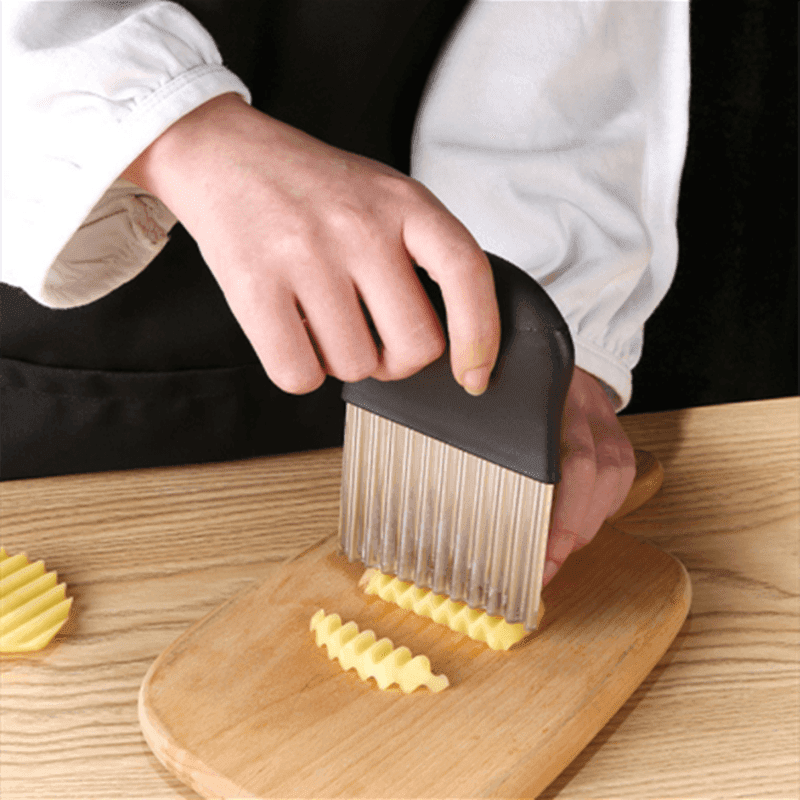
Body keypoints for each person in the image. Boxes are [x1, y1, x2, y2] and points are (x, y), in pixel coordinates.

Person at [1, 1, 690, 587]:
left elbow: (554, 30)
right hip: (70, 395)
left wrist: (533, 317)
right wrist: (168, 126)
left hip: (393, 364)